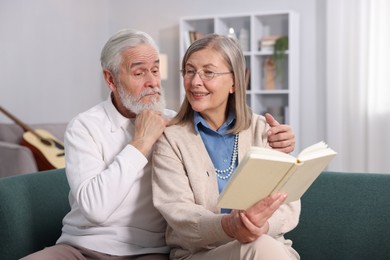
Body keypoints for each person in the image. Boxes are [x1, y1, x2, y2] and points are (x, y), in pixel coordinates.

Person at [22, 29, 296, 260]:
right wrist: (140, 142)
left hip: (150, 251)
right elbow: (97, 209)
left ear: (236, 81)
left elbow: (287, 200)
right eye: (139, 73)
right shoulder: (86, 127)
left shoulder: (172, 124)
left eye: (156, 70)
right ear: (110, 79)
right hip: (84, 246)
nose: (153, 82)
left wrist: (283, 149)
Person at [152, 34, 301, 260]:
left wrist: (262, 227)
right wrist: (229, 226)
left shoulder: (262, 129)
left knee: (260, 245)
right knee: (259, 248)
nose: (195, 82)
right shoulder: (171, 139)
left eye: (208, 72)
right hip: (200, 254)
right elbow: (178, 213)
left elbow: (288, 204)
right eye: (189, 71)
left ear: (234, 81)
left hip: (265, 245)